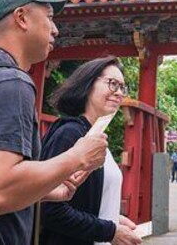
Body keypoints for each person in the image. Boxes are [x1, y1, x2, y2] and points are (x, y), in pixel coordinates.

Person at [0, 0, 108, 244]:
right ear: (21, 17)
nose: (55, 29)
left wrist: (44, 189)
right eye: (50, 17)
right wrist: (76, 157)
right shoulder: (9, 83)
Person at [39, 56, 142, 245]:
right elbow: (50, 210)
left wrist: (112, 217)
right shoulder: (69, 134)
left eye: (122, 87)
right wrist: (110, 231)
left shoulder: (96, 136)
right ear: (88, 84)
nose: (119, 93)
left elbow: (83, 203)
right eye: (112, 84)